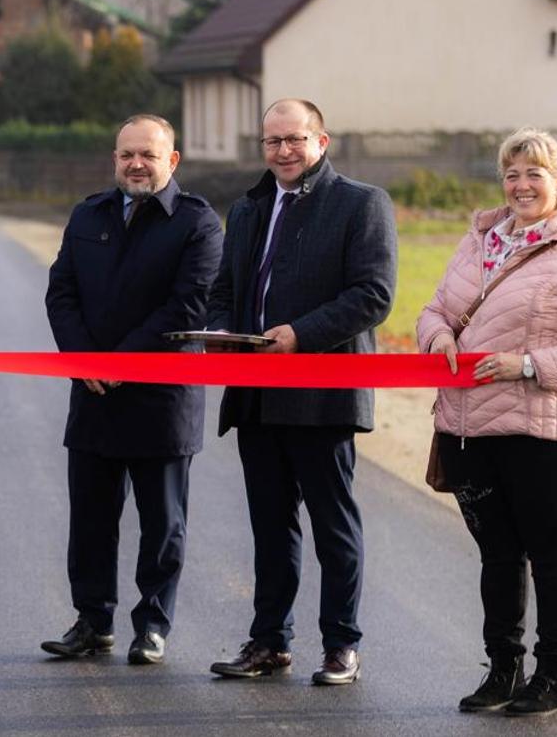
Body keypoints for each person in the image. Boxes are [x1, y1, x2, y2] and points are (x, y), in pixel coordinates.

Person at [417, 128, 557, 717]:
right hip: (471, 428)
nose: (521, 185)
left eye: (535, 174)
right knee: (498, 557)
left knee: (552, 557)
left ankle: (552, 676)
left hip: (547, 435)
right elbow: (435, 310)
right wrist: (437, 338)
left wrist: (527, 364)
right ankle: (502, 670)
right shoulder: (479, 242)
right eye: (512, 174)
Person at [203, 99, 396, 686]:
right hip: (256, 395)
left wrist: (301, 335)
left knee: (333, 529)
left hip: (322, 395)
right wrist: (217, 329)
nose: (283, 151)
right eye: (272, 141)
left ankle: (342, 645)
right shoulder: (248, 207)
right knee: (270, 527)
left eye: (295, 139)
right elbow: (226, 287)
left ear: (321, 141)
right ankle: (269, 642)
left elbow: (374, 294)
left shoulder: (361, 203)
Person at [40, 115, 223, 665]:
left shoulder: (198, 223)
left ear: (173, 160)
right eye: (126, 155)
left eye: (147, 154)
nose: (136, 164)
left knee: (162, 524)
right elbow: (61, 294)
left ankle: (153, 625)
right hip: (93, 393)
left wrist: (121, 361)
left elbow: (189, 304)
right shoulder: (88, 214)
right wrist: (84, 362)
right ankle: (92, 622)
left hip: (161, 399)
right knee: (90, 521)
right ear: (114, 159)